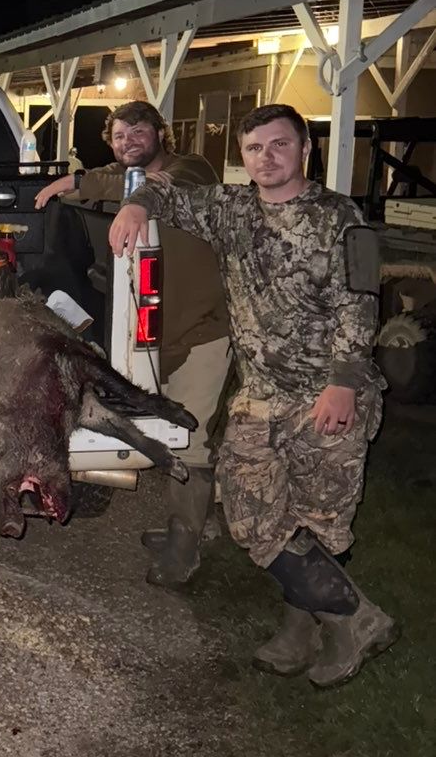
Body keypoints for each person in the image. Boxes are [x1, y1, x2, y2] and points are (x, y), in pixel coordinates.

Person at [109, 103, 396, 689]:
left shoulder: (341, 217)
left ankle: (305, 632)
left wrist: (344, 381)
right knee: (250, 517)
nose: (268, 158)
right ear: (242, 158)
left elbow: (362, 301)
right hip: (261, 397)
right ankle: (356, 617)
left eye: (280, 145)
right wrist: (138, 202)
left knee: (319, 523)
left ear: (305, 149)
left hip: (328, 398)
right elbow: (167, 193)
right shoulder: (232, 208)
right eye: (255, 149)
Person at [35, 101, 232, 586]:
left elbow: (159, 188)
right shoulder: (125, 178)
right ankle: (194, 525)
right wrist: (71, 183)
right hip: (156, 339)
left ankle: (183, 551)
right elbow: (111, 178)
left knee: (192, 440)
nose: (129, 143)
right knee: (177, 426)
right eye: (120, 136)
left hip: (203, 331)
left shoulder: (192, 169)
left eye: (139, 132)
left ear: (160, 133)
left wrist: (134, 203)